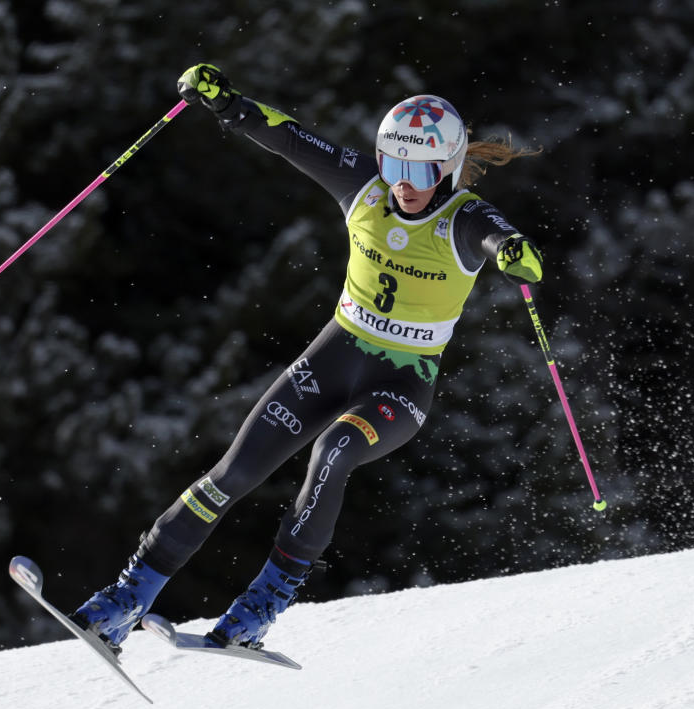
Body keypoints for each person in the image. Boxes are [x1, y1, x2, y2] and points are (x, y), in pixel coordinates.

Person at [70, 63, 545, 652]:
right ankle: (126, 597)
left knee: (334, 451)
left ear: (447, 168)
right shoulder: (365, 189)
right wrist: (227, 103)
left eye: (419, 171)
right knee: (231, 475)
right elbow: (291, 138)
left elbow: (507, 242)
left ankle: (263, 604)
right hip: (332, 358)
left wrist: (512, 254)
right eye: (392, 166)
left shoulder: (465, 218)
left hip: (401, 386)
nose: (403, 183)